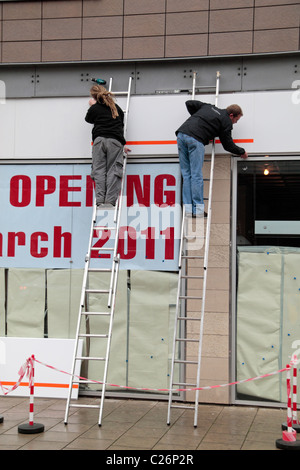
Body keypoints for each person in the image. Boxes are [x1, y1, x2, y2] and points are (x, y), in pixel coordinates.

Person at [176, 101, 248, 217]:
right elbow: (228, 145)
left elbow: (189, 103)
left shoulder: (208, 107)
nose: (234, 123)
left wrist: (198, 120)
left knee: (186, 175)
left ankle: (188, 210)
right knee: (196, 175)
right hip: (196, 139)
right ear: (231, 115)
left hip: (181, 135)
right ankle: (198, 210)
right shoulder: (225, 121)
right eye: (236, 120)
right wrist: (242, 152)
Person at [85, 84, 129, 208]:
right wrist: (122, 145)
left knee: (99, 171)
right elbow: (120, 127)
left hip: (99, 141)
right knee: (113, 171)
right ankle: (109, 201)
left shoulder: (95, 108)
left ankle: (100, 200)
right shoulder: (117, 109)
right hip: (115, 142)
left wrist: (92, 105)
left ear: (94, 96)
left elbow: (88, 119)